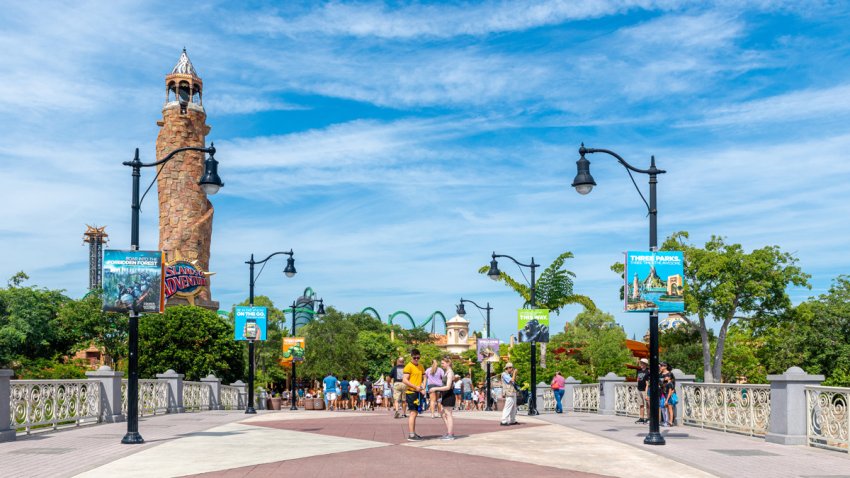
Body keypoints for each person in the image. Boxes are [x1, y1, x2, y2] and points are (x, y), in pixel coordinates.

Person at [428, 356, 457, 440]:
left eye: (443, 363)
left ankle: (450, 434)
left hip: (449, 395)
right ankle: (450, 431)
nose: (442, 365)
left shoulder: (450, 372)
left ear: (448, 363)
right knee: (442, 413)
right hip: (445, 395)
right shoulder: (446, 372)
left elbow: (448, 387)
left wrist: (435, 388)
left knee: (448, 414)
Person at [402, 349, 426, 441]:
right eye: (414, 357)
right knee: (413, 412)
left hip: (418, 392)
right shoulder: (408, 366)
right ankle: (411, 435)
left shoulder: (421, 366)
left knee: (416, 412)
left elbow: (424, 377)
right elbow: (404, 380)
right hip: (411, 392)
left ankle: (413, 432)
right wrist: (415, 387)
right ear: (411, 357)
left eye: (418, 358)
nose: (416, 359)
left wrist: (423, 386)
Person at [635, 358, 650, 423]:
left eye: (642, 363)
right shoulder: (639, 371)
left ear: (645, 364)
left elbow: (648, 383)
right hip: (639, 389)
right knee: (641, 404)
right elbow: (637, 379)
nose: (640, 364)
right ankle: (641, 417)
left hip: (645, 390)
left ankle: (648, 418)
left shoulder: (648, 371)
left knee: (647, 404)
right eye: (640, 363)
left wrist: (646, 393)